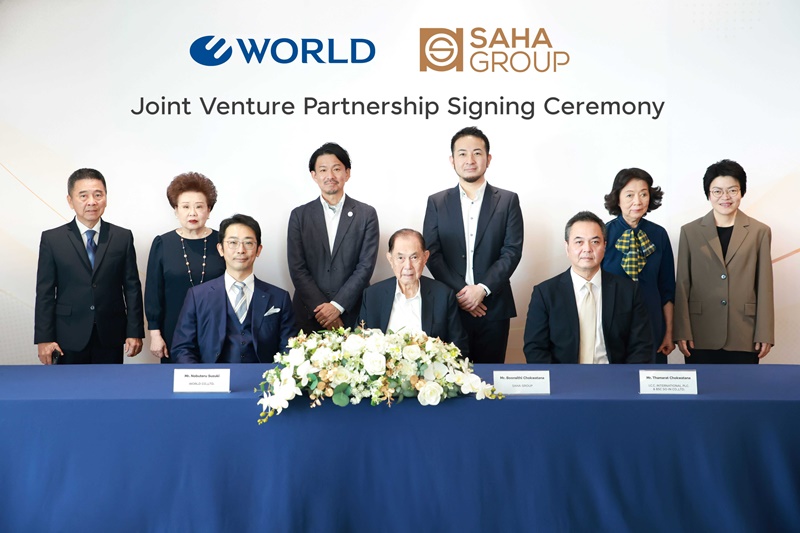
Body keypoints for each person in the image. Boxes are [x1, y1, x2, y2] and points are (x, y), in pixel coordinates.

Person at [423, 126, 523, 363]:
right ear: (452, 160)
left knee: (490, 377)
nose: (470, 160)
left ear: (488, 159)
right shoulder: (436, 202)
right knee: (449, 376)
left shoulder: (507, 200)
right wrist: (462, 293)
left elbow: (511, 251)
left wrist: (482, 289)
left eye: (477, 153)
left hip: (493, 307)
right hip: (451, 305)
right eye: (462, 153)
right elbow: (432, 253)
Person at [34, 168, 144, 364]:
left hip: (110, 333)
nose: (92, 202)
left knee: (109, 383)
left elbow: (132, 288)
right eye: (83, 196)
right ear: (70, 201)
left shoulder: (122, 237)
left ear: (106, 198)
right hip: (67, 334)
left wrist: (134, 331)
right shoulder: (52, 239)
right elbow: (45, 293)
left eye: (98, 195)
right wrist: (44, 338)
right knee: (70, 383)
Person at [674, 159, 774, 364]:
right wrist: (682, 330)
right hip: (700, 332)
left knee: (743, 385)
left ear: (742, 192)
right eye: (717, 191)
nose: (725, 197)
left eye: (732, 190)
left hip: (744, 332)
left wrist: (765, 332)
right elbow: (682, 284)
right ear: (708, 194)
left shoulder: (759, 232)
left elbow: (765, 286)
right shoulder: (690, 232)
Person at [523, 211, 652, 364]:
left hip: (613, 375)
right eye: (579, 242)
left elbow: (641, 346)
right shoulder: (545, 294)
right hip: (564, 376)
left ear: (604, 246)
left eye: (595, 242)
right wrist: (558, 378)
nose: (587, 249)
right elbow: (535, 348)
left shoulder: (629, 291)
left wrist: (623, 376)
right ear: (567, 247)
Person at [171, 214, 296, 364]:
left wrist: (275, 376)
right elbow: (182, 348)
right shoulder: (197, 296)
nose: (240, 250)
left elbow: (289, 349)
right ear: (220, 249)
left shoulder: (279, 298)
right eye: (233, 243)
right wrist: (201, 376)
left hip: (262, 376)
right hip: (212, 376)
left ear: (258, 250)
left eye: (248, 243)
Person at [287, 142, 379, 332]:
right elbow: (297, 268)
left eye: (336, 169)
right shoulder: (299, 215)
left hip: (352, 313)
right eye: (323, 170)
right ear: (314, 175)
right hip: (310, 314)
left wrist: (337, 306)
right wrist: (324, 312)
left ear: (347, 173)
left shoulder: (366, 214)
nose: (330, 176)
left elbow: (365, 266)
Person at [145, 172, 226, 363]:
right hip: (174, 329)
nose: (192, 213)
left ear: (209, 210)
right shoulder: (163, 243)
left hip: (217, 329)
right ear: (176, 210)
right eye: (185, 206)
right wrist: (155, 334)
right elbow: (153, 293)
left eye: (199, 206)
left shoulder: (223, 241)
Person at [602, 168, 675, 363]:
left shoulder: (659, 234)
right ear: (617, 198)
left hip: (652, 323)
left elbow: (667, 289)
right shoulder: (603, 235)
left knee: (651, 378)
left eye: (643, 194)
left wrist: (669, 332)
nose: (638, 201)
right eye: (629, 195)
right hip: (612, 326)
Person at [358, 229, 469, 355]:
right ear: (390, 259)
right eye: (400, 258)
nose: (408, 266)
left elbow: (459, 346)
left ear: (425, 257)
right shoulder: (372, 295)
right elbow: (361, 343)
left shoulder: (443, 295)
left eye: (414, 257)